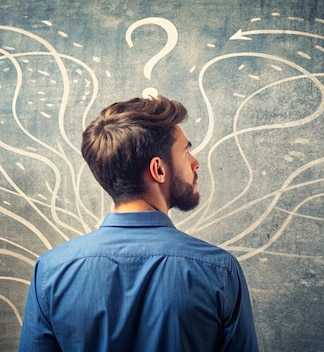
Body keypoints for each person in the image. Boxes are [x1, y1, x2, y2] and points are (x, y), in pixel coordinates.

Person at [18, 95, 259, 351]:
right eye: (186, 151)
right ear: (158, 170)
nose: (195, 162)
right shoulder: (219, 269)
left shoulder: (51, 270)